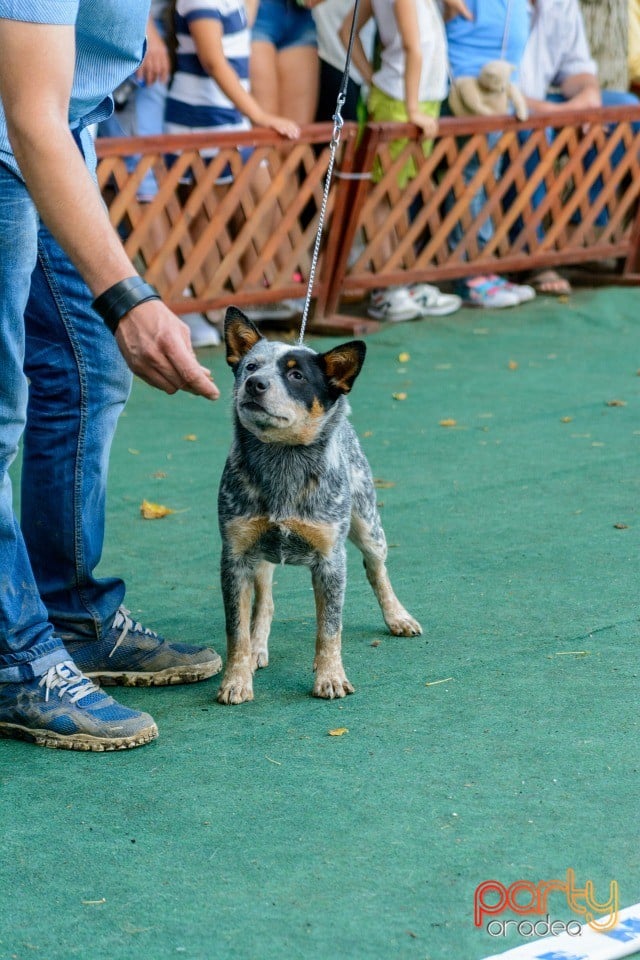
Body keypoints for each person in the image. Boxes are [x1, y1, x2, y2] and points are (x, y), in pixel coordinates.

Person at [0, 0, 223, 753]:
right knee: (1, 414)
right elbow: (28, 112)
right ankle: (14, 655)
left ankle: (69, 614)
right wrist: (127, 295)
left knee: (88, 366)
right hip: (17, 137)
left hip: (62, 129)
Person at [340, 0, 467, 322]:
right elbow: (412, 47)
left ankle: (402, 279)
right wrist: (408, 106)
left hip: (417, 98)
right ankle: (387, 285)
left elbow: (347, 32)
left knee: (400, 193)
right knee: (384, 195)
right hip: (402, 101)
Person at [516, 0, 640, 295]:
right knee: (533, 130)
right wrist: (554, 111)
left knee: (626, 112)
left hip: (543, 104)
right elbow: (490, 87)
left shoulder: (562, 3)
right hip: (497, 107)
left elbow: (578, 68)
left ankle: (578, 233)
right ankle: (535, 253)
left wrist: (588, 95)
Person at [443, 0, 537, 308]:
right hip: (466, 86)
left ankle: (481, 265)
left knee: (486, 178)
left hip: (499, 89)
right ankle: (468, 273)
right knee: (470, 179)